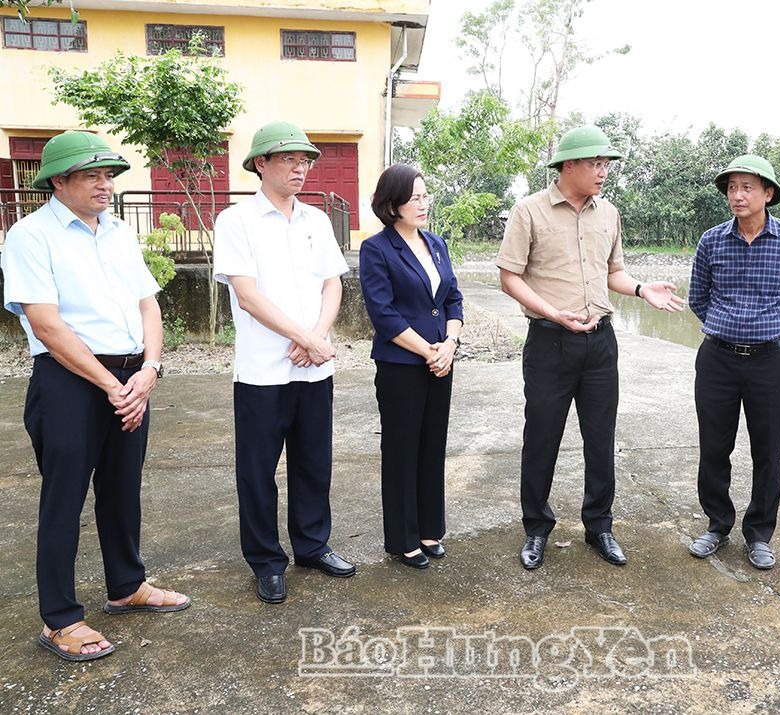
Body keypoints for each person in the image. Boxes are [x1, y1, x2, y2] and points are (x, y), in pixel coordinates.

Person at [1, 131, 190, 661]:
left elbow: (148, 304)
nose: (105, 184)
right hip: (70, 380)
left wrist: (149, 370)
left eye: (109, 175)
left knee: (122, 487)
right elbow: (46, 324)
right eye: (92, 175)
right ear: (58, 181)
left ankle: (126, 585)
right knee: (64, 499)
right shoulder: (30, 236)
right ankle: (59, 619)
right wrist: (110, 385)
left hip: (132, 376)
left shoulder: (118, 233)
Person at [497, 125, 685, 570]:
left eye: (606, 164)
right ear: (568, 166)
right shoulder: (529, 212)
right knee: (541, 437)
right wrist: (552, 312)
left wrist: (641, 289)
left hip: (601, 344)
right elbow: (509, 277)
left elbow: (613, 273)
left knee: (600, 439)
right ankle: (537, 529)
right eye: (595, 163)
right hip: (549, 342)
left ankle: (599, 525)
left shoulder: (609, 214)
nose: (603, 172)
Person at [213, 121, 355, 604]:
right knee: (257, 470)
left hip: (314, 367)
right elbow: (248, 297)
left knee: (314, 461)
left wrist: (314, 339)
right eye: (290, 160)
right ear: (261, 164)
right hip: (262, 372)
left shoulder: (317, 220)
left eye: (305, 161)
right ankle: (266, 560)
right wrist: (305, 338)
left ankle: (313, 545)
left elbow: (333, 283)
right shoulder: (236, 221)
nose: (301, 168)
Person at [687, 154, 780, 571]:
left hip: (770, 364)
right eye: (731, 188)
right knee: (714, 447)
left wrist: (772, 337)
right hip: (717, 360)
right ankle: (717, 525)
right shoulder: (712, 240)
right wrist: (727, 327)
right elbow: (697, 298)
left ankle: (759, 534)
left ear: (767, 194)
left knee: (768, 451)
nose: (737, 195)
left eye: (746, 187)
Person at [359, 164, 464, 569]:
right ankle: (402, 538)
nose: (423, 204)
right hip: (402, 364)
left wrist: (450, 344)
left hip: (442, 360)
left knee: (432, 444)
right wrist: (429, 350)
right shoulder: (377, 249)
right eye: (415, 197)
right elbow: (383, 315)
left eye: (426, 195)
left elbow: (452, 299)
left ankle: (428, 528)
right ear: (392, 203)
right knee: (402, 448)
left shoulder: (436, 243)